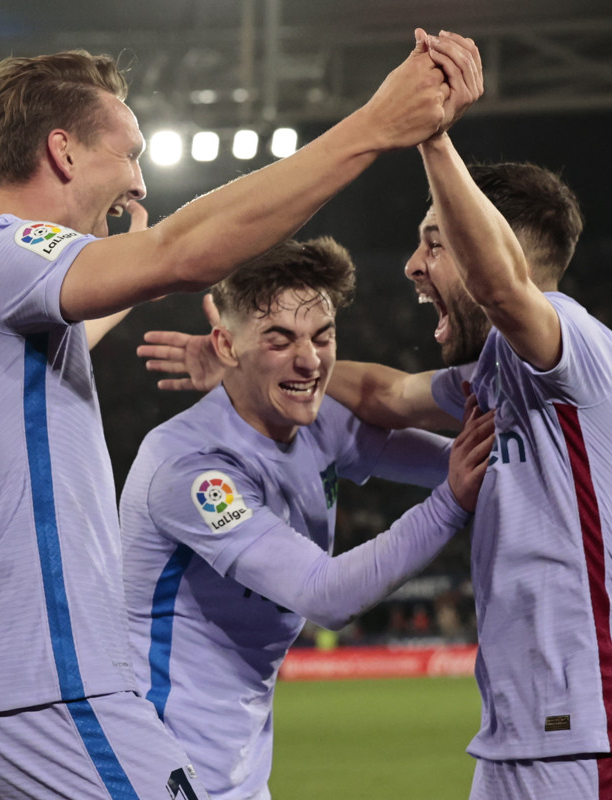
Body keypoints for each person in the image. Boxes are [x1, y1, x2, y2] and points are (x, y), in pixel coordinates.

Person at [0, 30, 479, 800]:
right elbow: (184, 252)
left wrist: (166, 302)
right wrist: (374, 126)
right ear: (64, 152)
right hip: (52, 684)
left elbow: (97, 310)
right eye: (128, 152)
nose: (138, 179)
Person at [139, 34, 612, 798]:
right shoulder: (496, 376)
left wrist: (430, 133)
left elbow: (500, 287)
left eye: (435, 242)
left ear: (487, 243)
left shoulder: (578, 348)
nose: (413, 266)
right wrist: (240, 357)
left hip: (591, 725)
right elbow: (384, 396)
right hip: (524, 735)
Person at [120, 238, 495, 800]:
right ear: (226, 344)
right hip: (158, 761)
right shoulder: (189, 467)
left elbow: (462, 465)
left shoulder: (319, 422)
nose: (311, 360)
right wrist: (450, 505)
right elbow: (325, 595)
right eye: (280, 339)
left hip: (237, 765)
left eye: (323, 336)